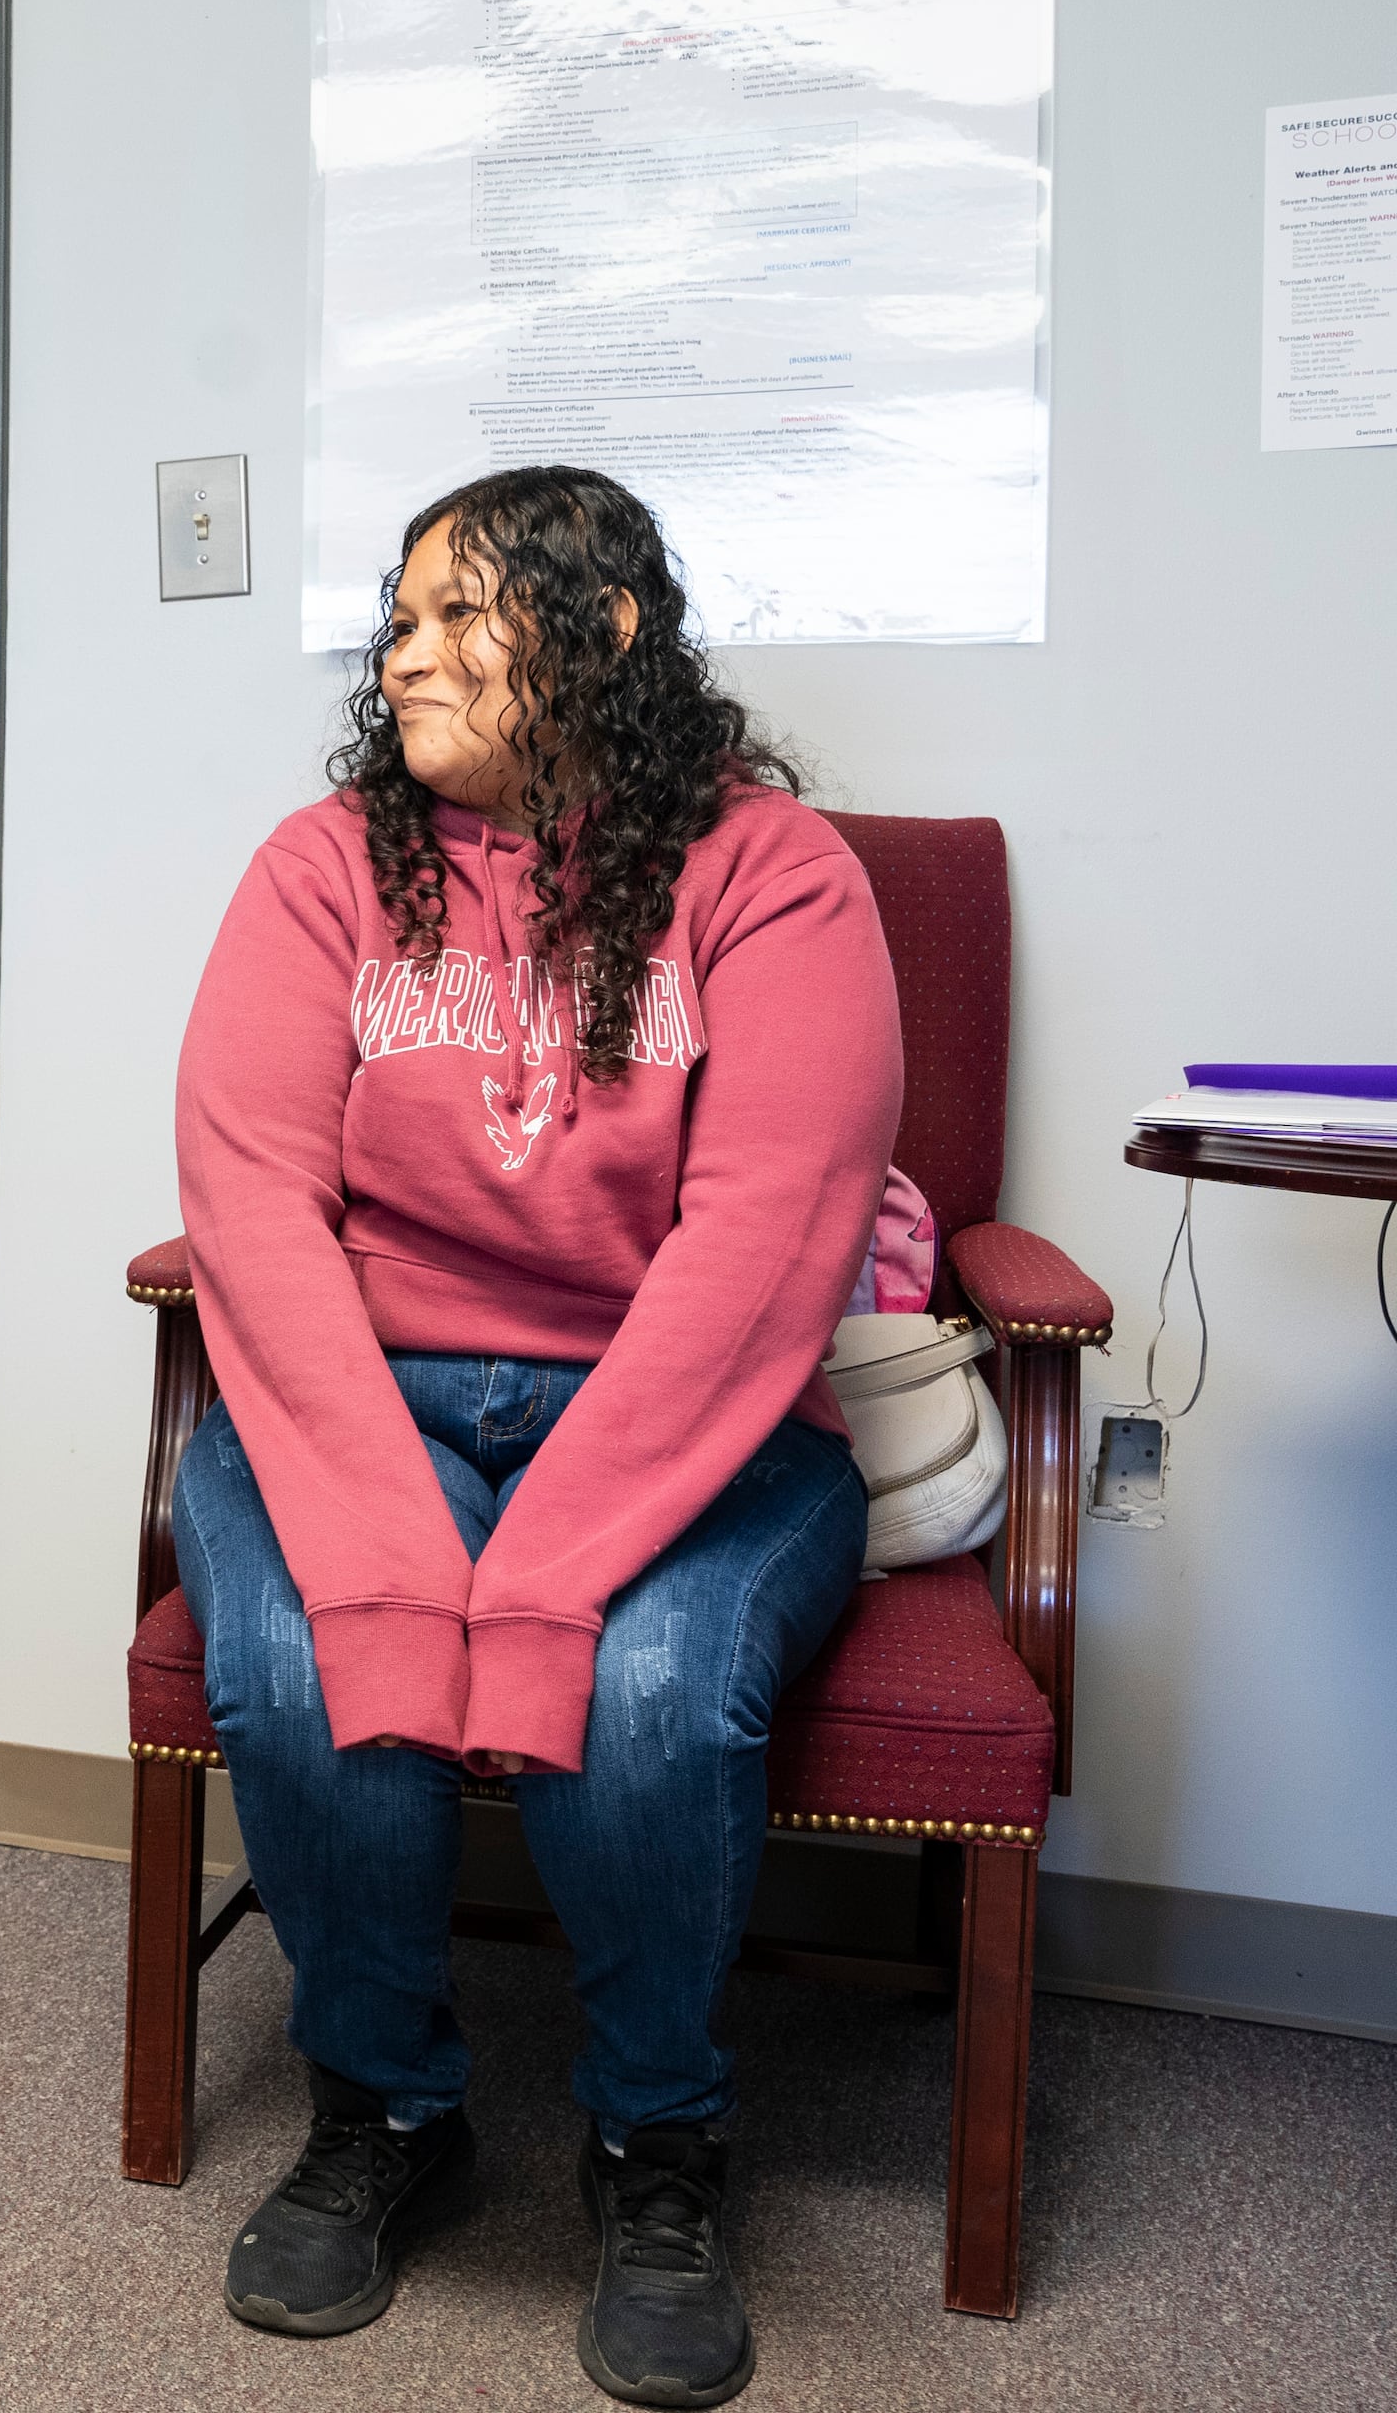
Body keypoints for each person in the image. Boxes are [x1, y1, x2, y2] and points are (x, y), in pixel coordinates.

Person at [168, 467, 898, 2407]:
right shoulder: (324, 864)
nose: (402, 647)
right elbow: (248, 1196)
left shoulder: (775, 874)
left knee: (652, 1688)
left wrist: (545, 1574)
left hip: (690, 1416)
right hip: (372, 1396)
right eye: (393, 617)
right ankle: (389, 2108)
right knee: (302, 1655)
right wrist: (399, 1561)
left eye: (456, 610)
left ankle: (660, 2143)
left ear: (611, 630)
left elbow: (765, 1246)